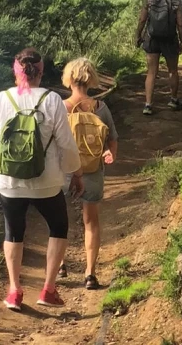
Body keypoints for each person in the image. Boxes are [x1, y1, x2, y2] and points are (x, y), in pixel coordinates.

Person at [0, 47, 83, 312]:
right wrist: (75, 172)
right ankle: (48, 288)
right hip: (46, 182)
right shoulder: (52, 99)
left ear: (16, 72)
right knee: (58, 227)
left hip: (9, 182)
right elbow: (66, 144)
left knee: (13, 232)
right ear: (41, 72)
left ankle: (14, 291)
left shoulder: (2, 99)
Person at [58, 58, 118, 290]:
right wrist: (109, 155)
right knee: (91, 221)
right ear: (91, 78)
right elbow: (113, 138)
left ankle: (61, 265)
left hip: (63, 171)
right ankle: (90, 274)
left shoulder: (59, 107)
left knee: (59, 220)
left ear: (69, 79)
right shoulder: (100, 108)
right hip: (92, 170)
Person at [135, 0, 182, 115]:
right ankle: (174, 100)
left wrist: (138, 35)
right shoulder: (176, 1)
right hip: (169, 39)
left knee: (151, 72)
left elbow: (142, 19)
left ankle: (148, 105)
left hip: (151, 38)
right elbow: (180, 24)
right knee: (173, 71)